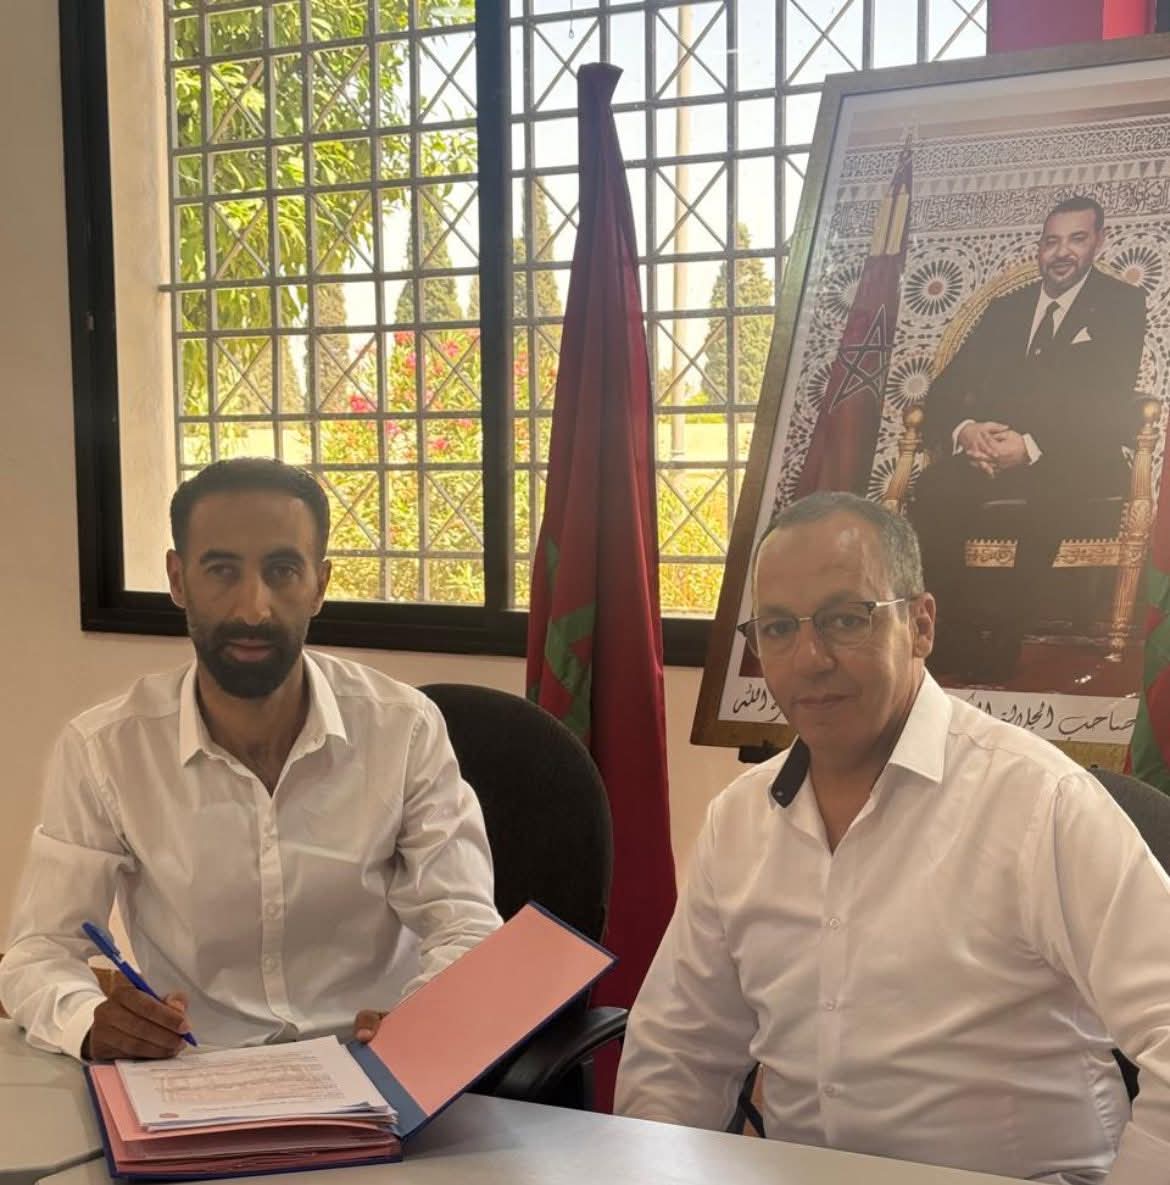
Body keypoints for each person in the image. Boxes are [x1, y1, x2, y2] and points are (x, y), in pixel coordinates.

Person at [615, 491, 1170, 1185]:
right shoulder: (738, 821)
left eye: (846, 619)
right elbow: (677, 1055)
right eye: (779, 628)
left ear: (921, 624)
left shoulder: (1038, 802)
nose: (809, 658)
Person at [0, 458, 502, 1061]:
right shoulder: (106, 750)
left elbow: (466, 925)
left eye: (282, 571)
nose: (253, 609)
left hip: (375, 1067)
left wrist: (424, 1019)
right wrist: (89, 1019)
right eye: (222, 571)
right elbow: (39, 954)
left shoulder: (403, 730)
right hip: (196, 1072)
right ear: (178, 579)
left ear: (319, 584)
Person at [910, 195, 1147, 682]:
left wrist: (1031, 446)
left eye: (1076, 239)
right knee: (934, 488)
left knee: (1048, 492)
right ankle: (950, 640)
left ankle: (1003, 645)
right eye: (1051, 241)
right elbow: (946, 389)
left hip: (1075, 457)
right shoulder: (1005, 310)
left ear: (1098, 242)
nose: (1062, 252)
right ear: (1039, 247)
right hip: (992, 455)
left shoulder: (1121, 305)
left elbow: (1105, 399)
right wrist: (967, 432)